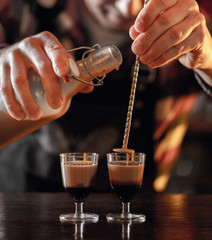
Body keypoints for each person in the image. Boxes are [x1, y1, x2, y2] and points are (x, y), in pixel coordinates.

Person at [0, 0, 211, 192]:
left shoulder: (187, 26)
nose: (129, 9)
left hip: (140, 221)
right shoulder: (17, 11)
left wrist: (208, 62)